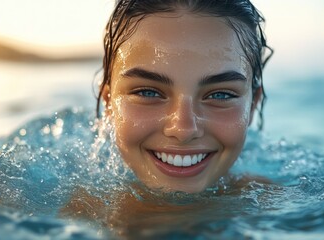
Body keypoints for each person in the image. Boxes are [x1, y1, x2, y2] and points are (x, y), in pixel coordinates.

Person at [96, 0, 272, 193]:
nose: (183, 130)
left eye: (220, 95)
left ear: (252, 105)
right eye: (148, 92)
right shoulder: (71, 212)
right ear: (109, 103)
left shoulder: (278, 208)